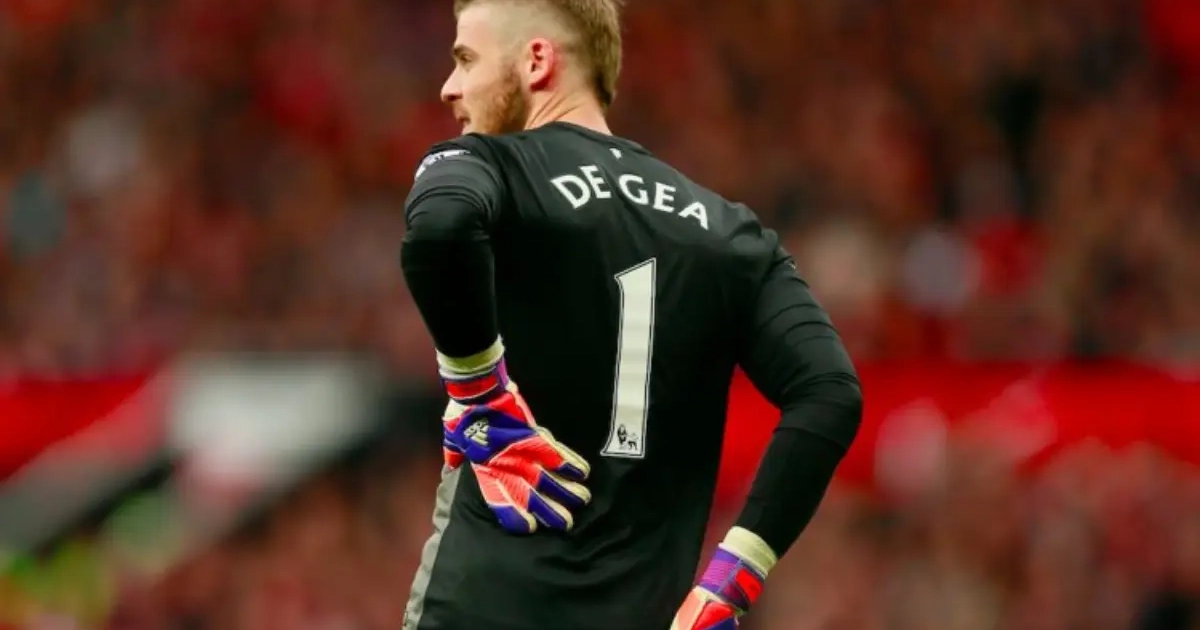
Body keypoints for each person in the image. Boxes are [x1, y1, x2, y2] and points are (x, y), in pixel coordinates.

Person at [399, 1, 863, 629]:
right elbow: (830, 392)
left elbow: (439, 227)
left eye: (466, 59)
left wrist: (481, 392)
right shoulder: (730, 234)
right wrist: (734, 576)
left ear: (536, 61)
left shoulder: (489, 166)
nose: (450, 87)